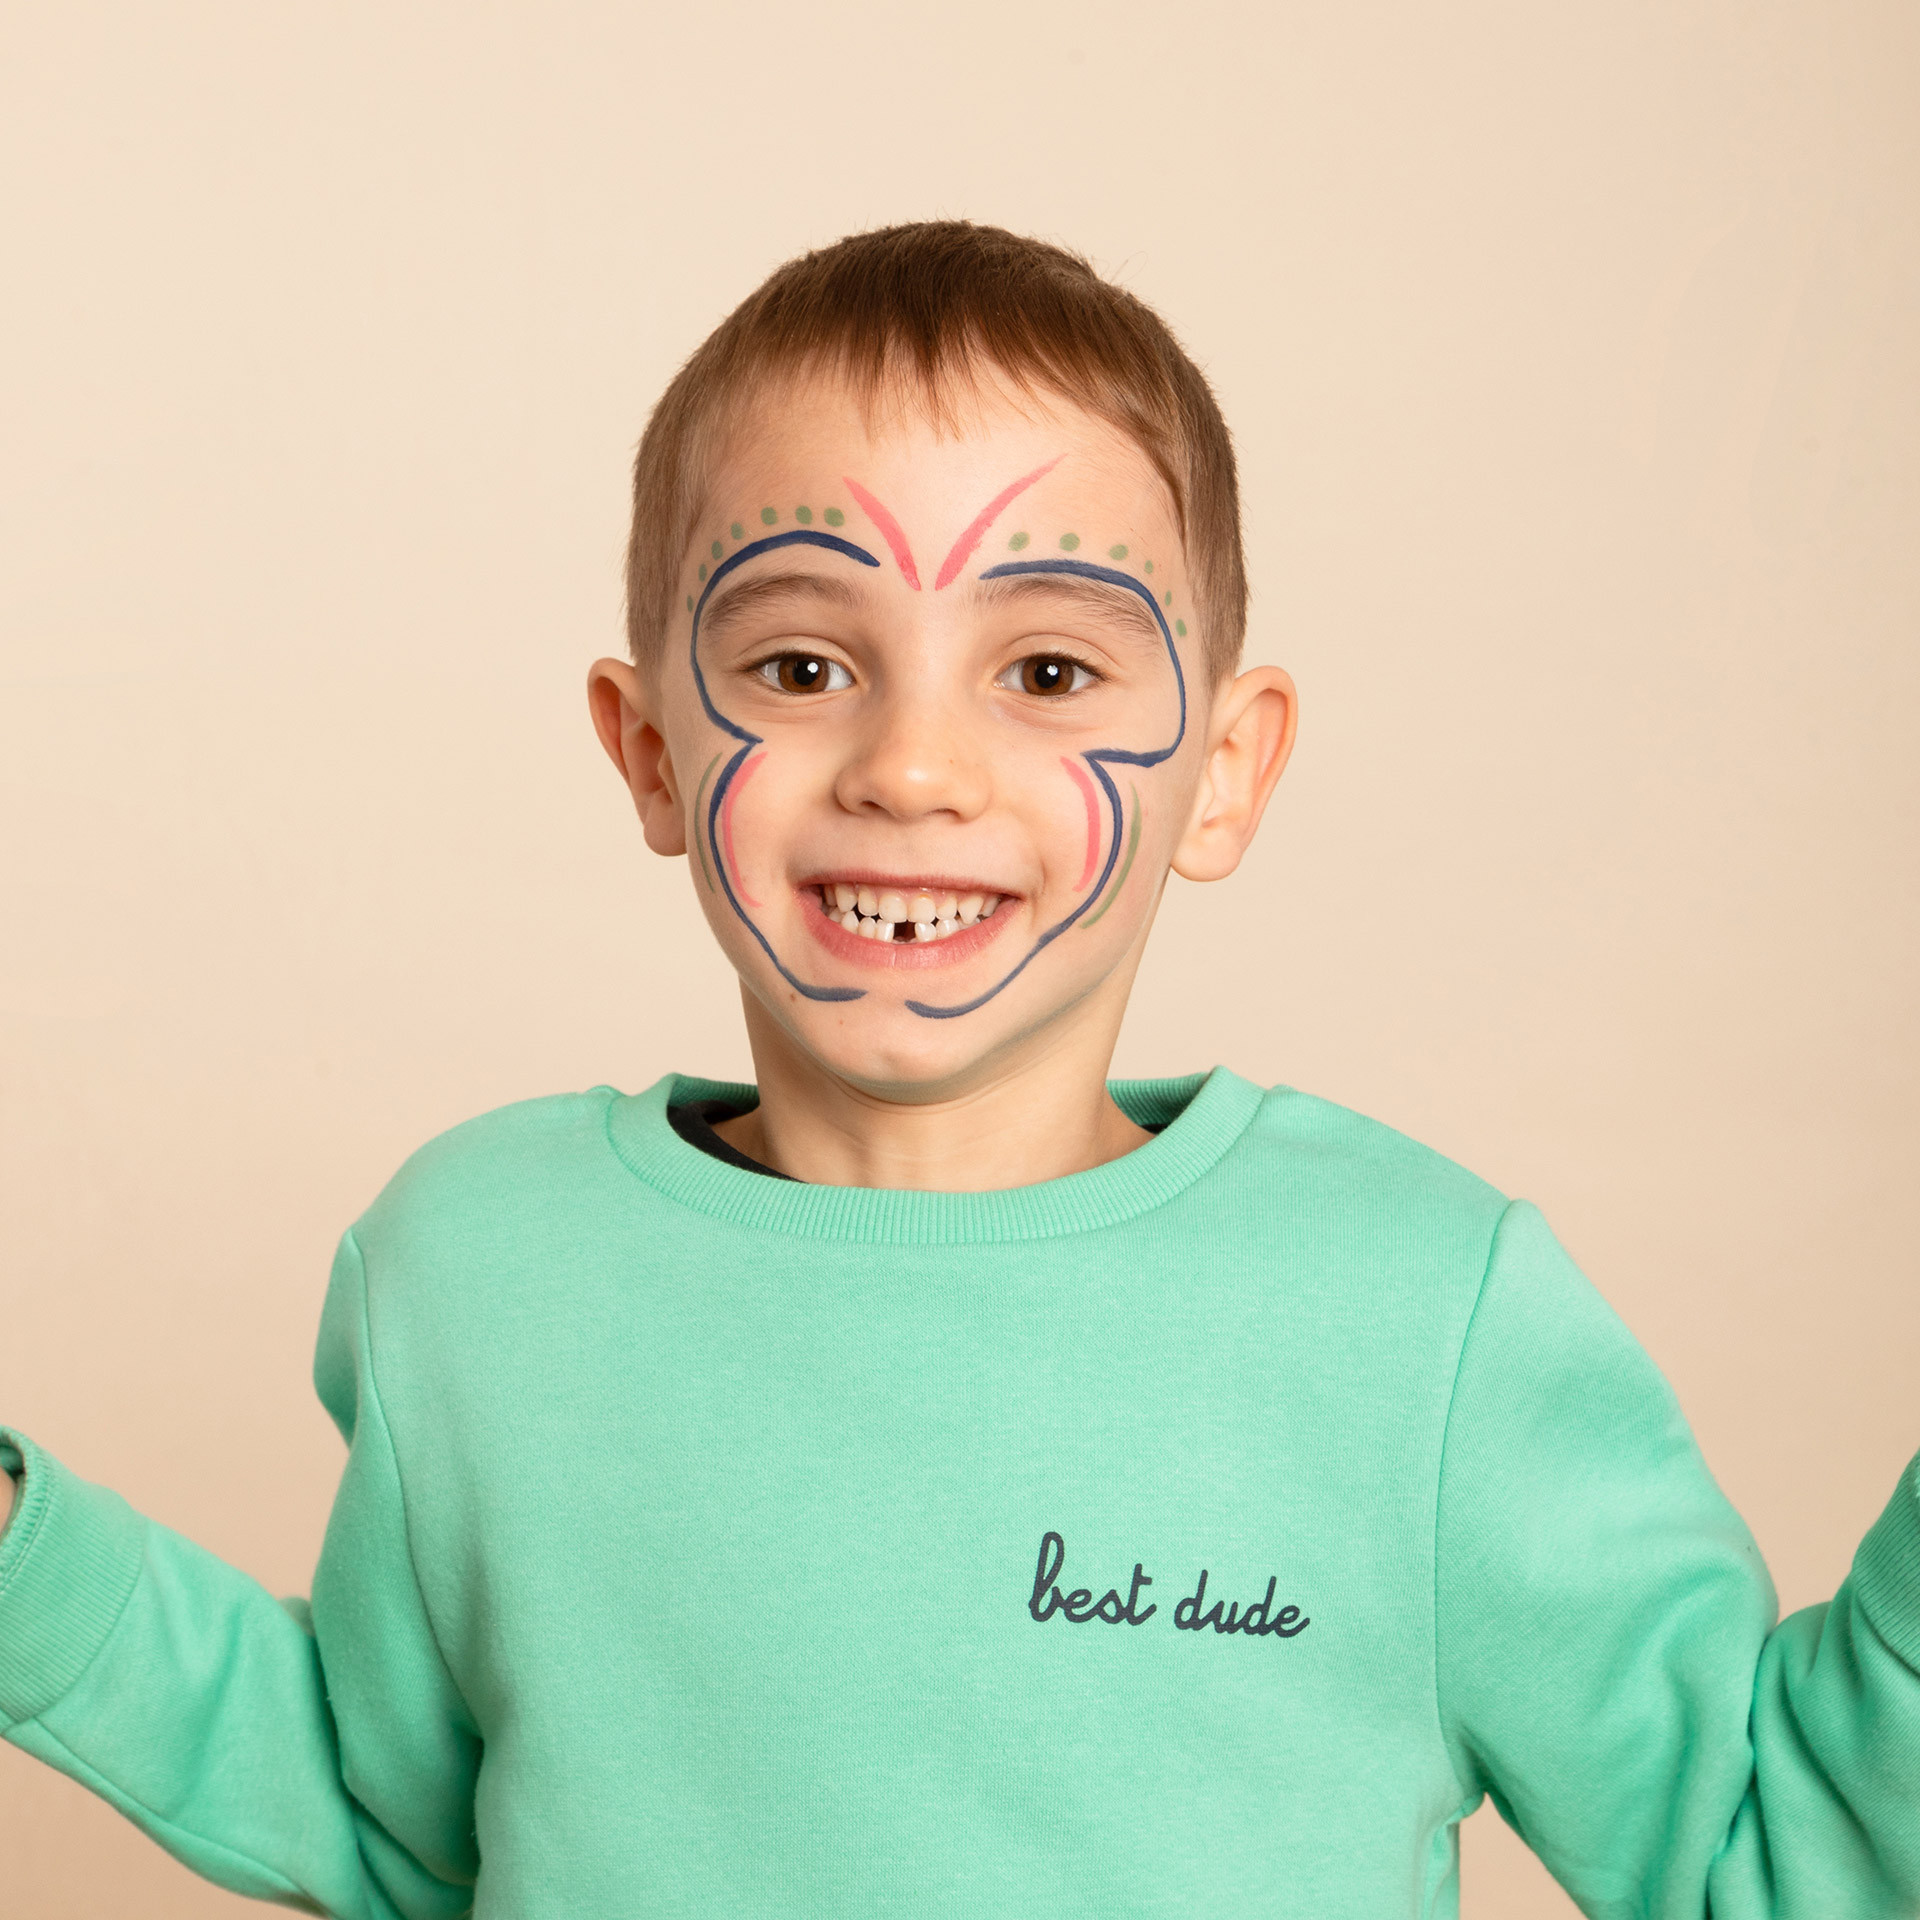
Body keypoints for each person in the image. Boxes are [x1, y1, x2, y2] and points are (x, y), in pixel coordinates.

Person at [1, 220, 1915, 1918]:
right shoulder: (472, 1273)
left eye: (1052, 673)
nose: (914, 768)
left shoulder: (1426, 1319)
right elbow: (402, 1820)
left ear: (1228, 770)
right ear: (652, 750)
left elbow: (1758, 1848)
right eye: (803, 666)